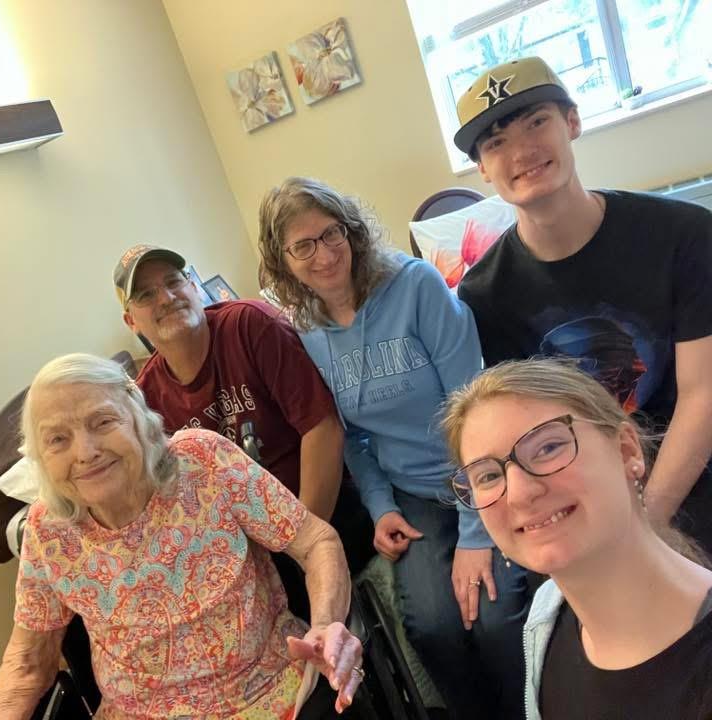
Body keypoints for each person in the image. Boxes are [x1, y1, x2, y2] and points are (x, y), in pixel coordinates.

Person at [257, 177, 530, 720]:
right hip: (414, 496)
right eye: (303, 245)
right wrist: (382, 509)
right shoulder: (303, 330)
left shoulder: (416, 286)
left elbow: (476, 406)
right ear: (282, 259)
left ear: (352, 232)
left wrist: (477, 533)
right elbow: (351, 437)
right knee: (432, 622)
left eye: (331, 234)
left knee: (497, 618)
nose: (324, 253)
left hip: (485, 477)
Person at [0, 353, 365, 720]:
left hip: (264, 693)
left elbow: (315, 542)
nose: (84, 453)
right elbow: (27, 663)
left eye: (102, 422)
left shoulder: (203, 461)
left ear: (136, 417)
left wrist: (325, 625)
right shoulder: (46, 532)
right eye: (57, 440)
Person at [454, 55, 712, 552]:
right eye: (496, 142)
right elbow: (529, 428)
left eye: (537, 122)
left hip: (694, 458)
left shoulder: (685, 236)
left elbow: (702, 394)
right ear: (482, 167)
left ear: (572, 122)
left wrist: (642, 522)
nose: (522, 151)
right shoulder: (484, 295)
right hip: (584, 483)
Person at [442, 358, 712, 719]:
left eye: (548, 447)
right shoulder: (546, 617)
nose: (519, 493)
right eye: (488, 476)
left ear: (626, 450)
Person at [113, 244, 376, 613]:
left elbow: (323, 429)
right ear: (131, 321)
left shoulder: (250, 326)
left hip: (318, 512)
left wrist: (303, 545)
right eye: (146, 295)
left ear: (193, 285)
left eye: (174, 282)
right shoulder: (147, 397)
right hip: (240, 552)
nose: (167, 298)